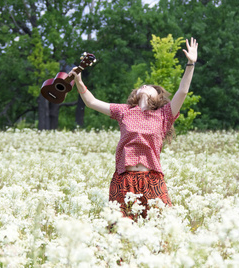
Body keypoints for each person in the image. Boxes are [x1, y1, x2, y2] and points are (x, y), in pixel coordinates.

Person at [68, 37, 198, 219]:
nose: (145, 86)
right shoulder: (124, 111)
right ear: (135, 94)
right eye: (142, 86)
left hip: (152, 179)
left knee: (161, 228)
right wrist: (80, 81)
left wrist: (190, 64)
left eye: (151, 87)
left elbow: (182, 91)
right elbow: (91, 102)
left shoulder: (164, 114)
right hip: (123, 180)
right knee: (119, 230)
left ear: (158, 96)